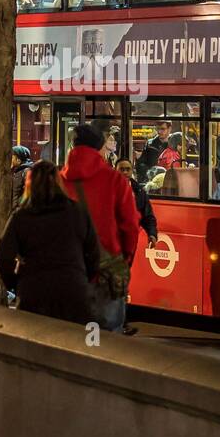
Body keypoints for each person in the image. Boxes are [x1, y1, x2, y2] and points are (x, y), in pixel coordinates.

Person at [0, 160, 101, 324]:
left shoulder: (21, 216)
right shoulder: (77, 212)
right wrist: (82, 277)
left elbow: (4, 255)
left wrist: (16, 283)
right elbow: (94, 253)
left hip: (34, 290)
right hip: (73, 289)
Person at [61, 123, 139, 332]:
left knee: (68, 338)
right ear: (100, 146)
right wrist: (123, 260)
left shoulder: (58, 181)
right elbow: (130, 226)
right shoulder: (115, 180)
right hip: (105, 273)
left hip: (67, 274)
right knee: (105, 344)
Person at [115, 159, 158, 244]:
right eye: (122, 169)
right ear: (115, 170)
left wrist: (152, 234)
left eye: (128, 169)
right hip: (111, 239)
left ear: (132, 171)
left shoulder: (139, 191)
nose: (125, 172)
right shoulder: (106, 190)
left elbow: (148, 216)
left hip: (130, 239)